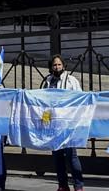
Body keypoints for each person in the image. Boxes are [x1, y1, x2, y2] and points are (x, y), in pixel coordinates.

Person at [41, 55, 85, 191]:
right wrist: (45, 120)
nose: (57, 67)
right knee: (57, 157)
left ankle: (78, 185)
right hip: (54, 125)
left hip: (68, 124)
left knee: (72, 156)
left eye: (59, 65)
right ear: (51, 67)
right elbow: (44, 102)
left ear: (63, 66)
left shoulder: (71, 80)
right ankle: (62, 185)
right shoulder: (47, 81)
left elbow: (80, 98)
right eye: (54, 65)